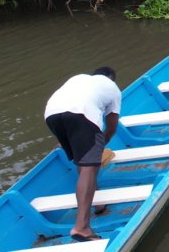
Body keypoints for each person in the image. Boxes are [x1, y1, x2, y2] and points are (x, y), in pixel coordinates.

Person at [44, 67, 121, 242]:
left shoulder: (78, 78)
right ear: (110, 77)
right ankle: (82, 227)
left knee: (84, 160)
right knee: (88, 166)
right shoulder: (113, 88)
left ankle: (98, 204)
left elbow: (65, 112)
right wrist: (98, 146)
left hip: (51, 114)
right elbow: (110, 130)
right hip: (81, 115)